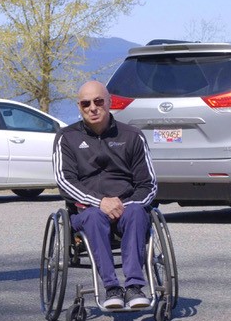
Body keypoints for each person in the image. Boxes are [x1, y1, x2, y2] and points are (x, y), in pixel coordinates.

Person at [53, 81, 158, 309]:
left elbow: (148, 184)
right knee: (94, 216)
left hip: (127, 207)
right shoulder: (66, 137)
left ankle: (134, 287)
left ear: (109, 102)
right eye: (86, 103)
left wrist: (123, 205)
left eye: (98, 101)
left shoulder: (132, 136)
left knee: (137, 213)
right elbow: (64, 182)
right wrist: (100, 202)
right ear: (79, 107)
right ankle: (112, 288)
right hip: (87, 211)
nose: (92, 107)